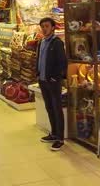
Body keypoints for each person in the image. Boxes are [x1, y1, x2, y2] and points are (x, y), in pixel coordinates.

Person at [36, 17, 67, 151]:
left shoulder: (57, 43)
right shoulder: (41, 42)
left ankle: (60, 138)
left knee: (57, 109)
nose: (44, 28)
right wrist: (37, 74)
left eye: (47, 26)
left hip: (53, 82)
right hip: (43, 80)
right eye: (42, 26)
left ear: (53, 27)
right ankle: (54, 133)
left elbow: (62, 63)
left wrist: (56, 77)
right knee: (49, 107)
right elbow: (39, 59)